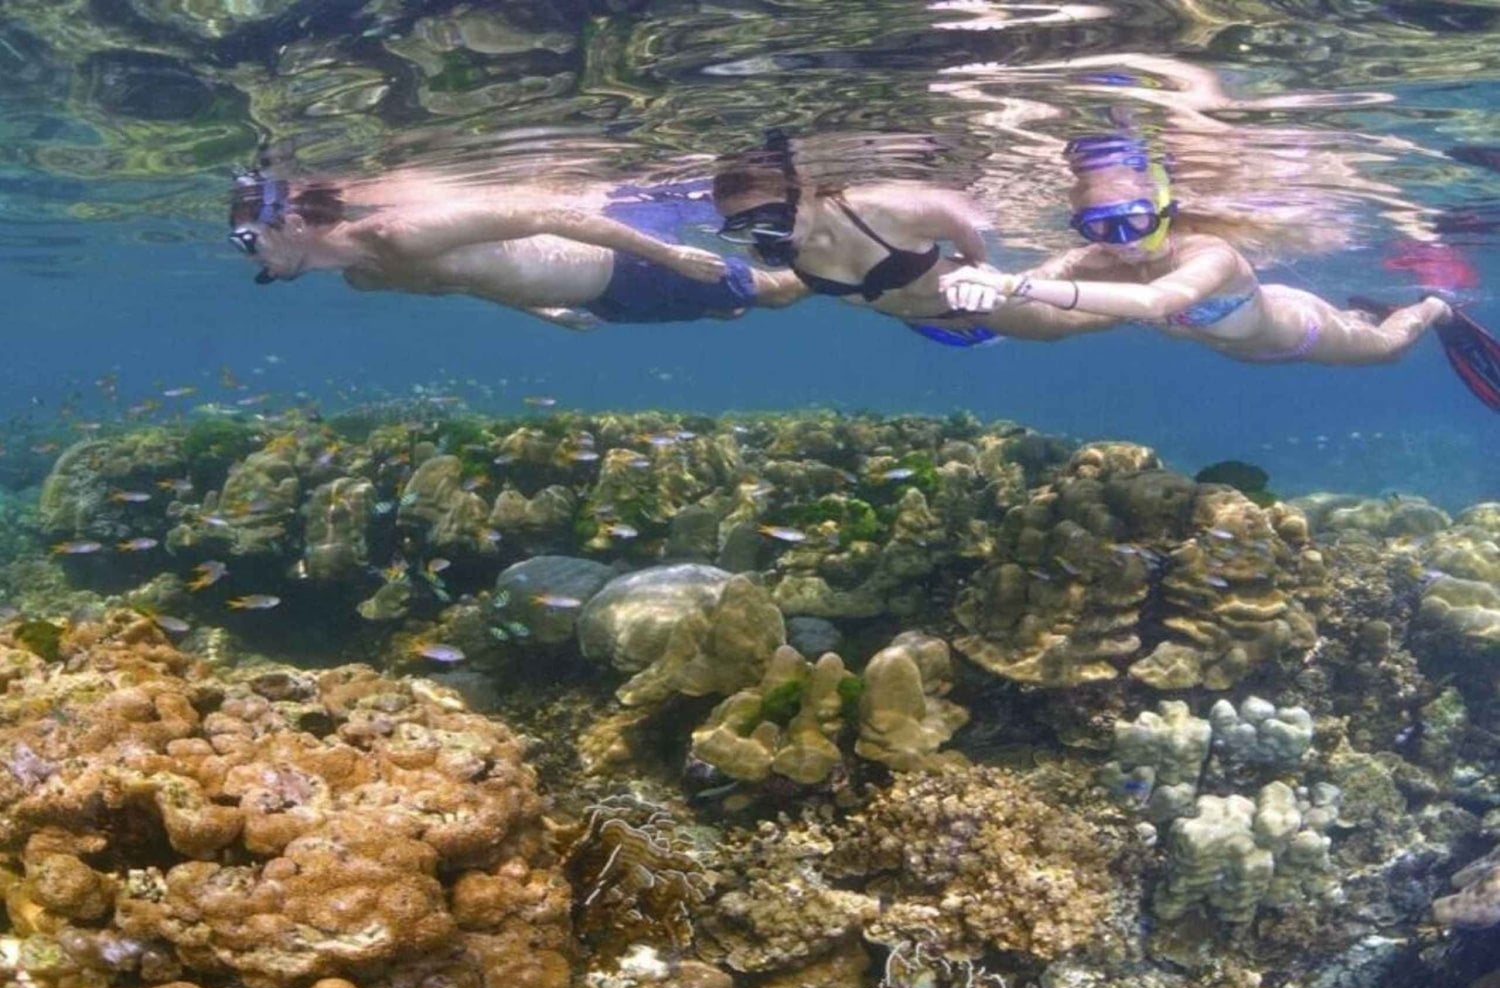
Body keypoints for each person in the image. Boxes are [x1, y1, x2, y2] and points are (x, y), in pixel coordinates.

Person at [937, 136, 1500, 410]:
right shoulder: (1094, 260)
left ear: (1164, 211)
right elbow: (1039, 304)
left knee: (1384, 348)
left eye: (1134, 221)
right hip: (1239, 335)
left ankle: (1434, 306)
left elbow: (1159, 301)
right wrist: (984, 304)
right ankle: (1378, 307)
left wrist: (1013, 285)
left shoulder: (1209, 254)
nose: (1122, 242)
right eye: (1100, 227)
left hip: (1297, 332)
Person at [227, 169, 806, 328]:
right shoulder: (365, 277)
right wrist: (536, 310)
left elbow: (547, 213)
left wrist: (670, 256)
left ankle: (849, 271)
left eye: (248, 240)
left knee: (775, 295)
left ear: (296, 221)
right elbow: (462, 281)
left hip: (630, 269)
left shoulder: (397, 232)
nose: (251, 257)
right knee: (726, 307)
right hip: (606, 302)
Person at [710, 134, 1003, 346]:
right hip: (923, 325)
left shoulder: (888, 209)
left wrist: (976, 266)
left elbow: (960, 225)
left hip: (984, 311)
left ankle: (1048, 269)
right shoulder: (768, 246)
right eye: (741, 226)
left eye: (770, 218)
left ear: (806, 190)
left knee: (1049, 321)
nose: (762, 234)